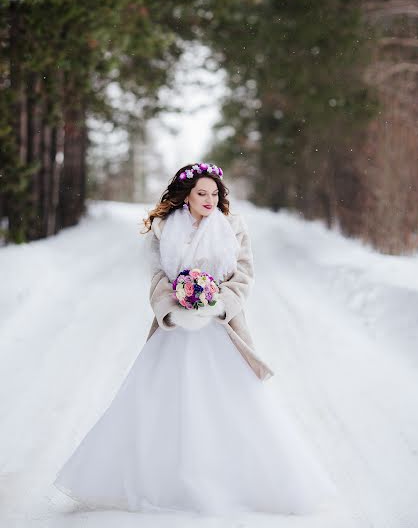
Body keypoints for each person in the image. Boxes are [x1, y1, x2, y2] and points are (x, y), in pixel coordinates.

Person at [53, 162, 338, 516]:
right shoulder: (162, 229)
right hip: (174, 333)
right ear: (185, 196)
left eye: (214, 194)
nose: (209, 199)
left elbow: (244, 274)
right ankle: (164, 481)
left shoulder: (233, 227)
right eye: (201, 193)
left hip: (221, 330)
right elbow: (157, 277)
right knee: (159, 404)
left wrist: (218, 303)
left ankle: (237, 481)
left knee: (232, 404)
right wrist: (173, 308)